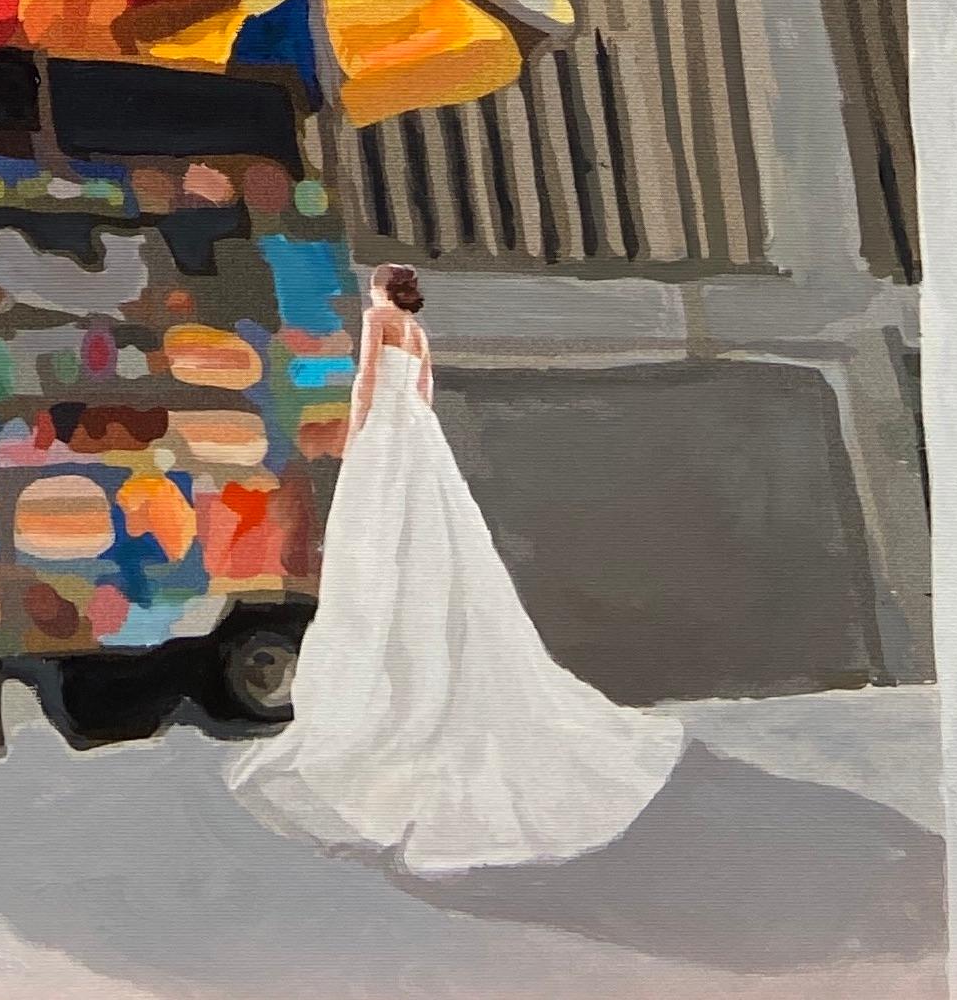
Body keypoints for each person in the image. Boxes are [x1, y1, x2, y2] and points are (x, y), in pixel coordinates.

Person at [230, 262, 681, 876]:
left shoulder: (378, 319)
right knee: (434, 539)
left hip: (386, 436)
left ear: (382, 289)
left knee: (379, 543)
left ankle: (384, 695)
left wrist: (356, 438)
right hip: (420, 436)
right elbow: (423, 392)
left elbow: (366, 382)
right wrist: (412, 432)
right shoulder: (417, 330)